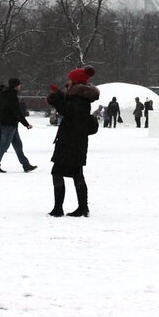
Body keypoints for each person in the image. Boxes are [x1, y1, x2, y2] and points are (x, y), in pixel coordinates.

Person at [46, 65, 100, 217]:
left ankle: (59, 208)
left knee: (57, 172)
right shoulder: (81, 97)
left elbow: (69, 113)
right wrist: (59, 96)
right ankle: (82, 207)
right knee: (77, 173)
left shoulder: (78, 98)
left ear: (75, 82)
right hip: (77, 141)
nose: (67, 82)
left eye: (70, 79)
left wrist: (57, 99)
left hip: (70, 141)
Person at [0, 78, 37, 173]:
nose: (20, 86)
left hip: (10, 124)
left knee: (18, 145)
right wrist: (26, 124)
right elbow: (16, 112)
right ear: (16, 86)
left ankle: (26, 165)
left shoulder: (6, 94)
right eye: (19, 85)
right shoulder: (11, 96)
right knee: (4, 145)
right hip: (9, 124)